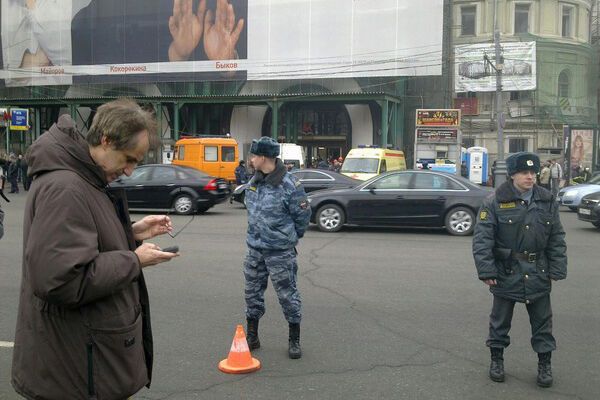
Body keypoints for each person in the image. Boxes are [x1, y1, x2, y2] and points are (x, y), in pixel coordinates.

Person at [11, 99, 179, 399]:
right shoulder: (67, 187)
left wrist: (131, 233)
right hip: (74, 371)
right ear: (106, 140)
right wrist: (134, 260)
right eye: (128, 159)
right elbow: (62, 280)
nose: (129, 171)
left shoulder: (85, 177)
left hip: (81, 362)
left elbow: (84, 240)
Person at [473, 152, 567, 388]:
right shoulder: (494, 201)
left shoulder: (546, 200)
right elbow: (483, 239)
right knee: (499, 322)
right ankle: (496, 360)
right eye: (524, 172)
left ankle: (545, 364)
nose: (530, 177)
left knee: (543, 323)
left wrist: (557, 268)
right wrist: (487, 271)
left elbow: (556, 237)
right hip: (506, 271)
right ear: (512, 174)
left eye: (533, 172)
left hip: (538, 271)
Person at [243, 137, 311, 359]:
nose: (251, 160)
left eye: (253, 156)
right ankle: (252, 336)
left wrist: (287, 238)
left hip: (280, 252)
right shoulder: (254, 181)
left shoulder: (289, 184)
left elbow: (303, 216)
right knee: (252, 294)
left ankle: (294, 339)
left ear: (263, 157)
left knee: (287, 295)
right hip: (255, 249)